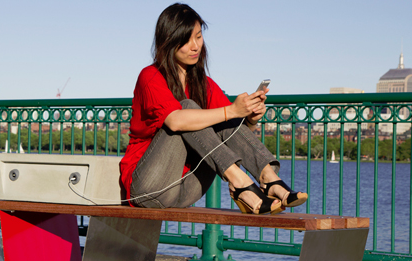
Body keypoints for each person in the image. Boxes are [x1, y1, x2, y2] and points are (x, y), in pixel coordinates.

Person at [119, 3, 307, 214]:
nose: (195, 46)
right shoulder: (151, 76)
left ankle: (270, 179)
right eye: (185, 40)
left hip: (186, 189)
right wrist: (233, 111)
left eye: (198, 37)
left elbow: (232, 134)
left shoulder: (204, 84)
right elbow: (175, 120)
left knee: (223, 120)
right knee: (189, 109)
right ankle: (240, 184)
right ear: (168, 43)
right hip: (149, 188)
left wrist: (249, 118)